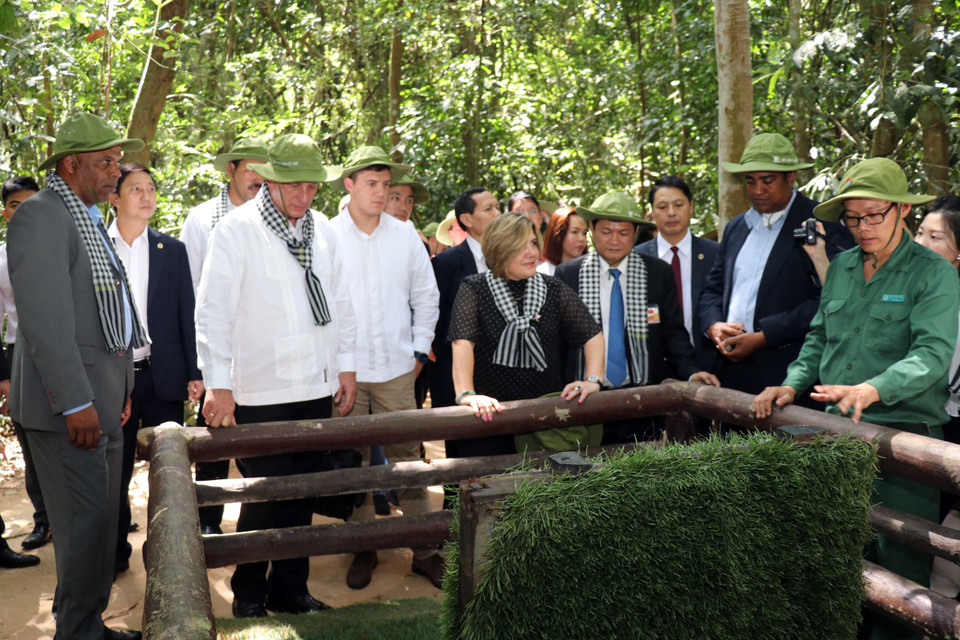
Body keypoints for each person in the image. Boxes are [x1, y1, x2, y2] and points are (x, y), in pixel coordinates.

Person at [752, 158, 960, 640]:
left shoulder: (933, 274)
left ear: (901, 211)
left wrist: (873, 388)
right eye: (852, 218)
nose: (863, 228)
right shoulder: (843, 266)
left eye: (874, 215)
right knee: (836, 560)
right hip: (836, 435)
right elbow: (820, 336)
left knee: (902, 576)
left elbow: (931, 355)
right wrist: (791, 383)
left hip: (904, 440)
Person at [195, 133, 358, 619]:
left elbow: (342, 302)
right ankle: (248, 591)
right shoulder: (236, 230)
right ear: (269, 180)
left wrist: (345, 365)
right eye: (294, 187)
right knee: (263, 494)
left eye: (311, 187)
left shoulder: (324, 230)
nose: (304, 197)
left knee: (303, 493)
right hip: (258, 388)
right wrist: (218, 383)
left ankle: (292, 590)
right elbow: (213, 312)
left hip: (315, 383)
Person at [9, 112, 144, 640]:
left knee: (98, 530)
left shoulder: (85, 217)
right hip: (69, 411)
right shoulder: (42, 216)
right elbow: (45, 322)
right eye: (105, 161)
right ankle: (81, 631)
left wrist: (123, 390)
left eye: (116, 160)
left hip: (102, 402)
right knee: (83, 531)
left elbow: (108, 314)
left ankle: (85, 625)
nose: (116, 170)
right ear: (71, 164)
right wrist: (75, 403)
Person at [328, 146, 443, 590]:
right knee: (352, 465)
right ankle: (363, 546)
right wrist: (337, 365)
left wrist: (417, 351)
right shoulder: (328, 237)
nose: (380, 193)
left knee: (409, 461)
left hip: (397, 368)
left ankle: (426, 551)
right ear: (350, 185)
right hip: (346, 372)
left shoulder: (405, 236)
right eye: (371, 184)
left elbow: (426, 296)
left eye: (385, 185)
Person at [700, 133, 854, 404]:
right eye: (750, 181)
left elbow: (829, 300)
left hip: (790, 375)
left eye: (767, 181)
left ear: (791, 177)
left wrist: (764, 336)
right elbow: (713, 288)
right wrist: (714, 325)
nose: (758, 190)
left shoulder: (819, 223)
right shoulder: (737, 227)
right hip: (731, 373)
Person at [556, 192, 719, 443]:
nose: (614, 241)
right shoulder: (569, 274)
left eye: (623, 233)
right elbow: (559, 340)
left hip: (643, 399)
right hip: (585, 400)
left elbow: (673, 333)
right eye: (606, 231)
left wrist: (691, 372)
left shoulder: (656, 272)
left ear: (635, 234)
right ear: (591, 229)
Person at [106, 163, 202, 576]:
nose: (146, 196)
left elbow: (187, 314)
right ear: (114, 198)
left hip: (164, 376)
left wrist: (195, 371)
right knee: (115, 470)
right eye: (135, 189)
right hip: (114, 377)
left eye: (151, 189)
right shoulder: (96, 247)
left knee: (168, 471)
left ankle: (169, 554)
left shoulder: (171, 249)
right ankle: (113, 555)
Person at [448, 213, 605, 453]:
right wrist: (467, 394)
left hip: (545, 422)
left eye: (533, 243)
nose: (531, 252)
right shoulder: (474, 288)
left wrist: (593, 380)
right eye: (520, 246)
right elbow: (462, 342)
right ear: (500, 249)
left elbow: (592, 334)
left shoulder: (552, 288)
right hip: (490, 416)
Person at [180, 135, 268, 536]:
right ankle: (209, 522)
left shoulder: (275, 217)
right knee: (215, 441)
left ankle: (259, 525)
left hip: (262, 352)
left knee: (260, 446)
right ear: (230, 170)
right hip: (218, 351)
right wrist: (200, 365)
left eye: (264, 169)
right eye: (250, 167)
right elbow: (193, 292)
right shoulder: (202, 219)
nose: (258, 177)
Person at [0, 176, 50, 551]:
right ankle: (43, 520)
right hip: (19, 356)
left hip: (66, 353)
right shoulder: (0, 259)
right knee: (31, 444)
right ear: (5, 213)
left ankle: (108, 516)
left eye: (32, 202)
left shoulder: (61, 246)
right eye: (16, 204)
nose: (24, 210)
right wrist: (4, 376)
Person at [635, 176, 720, 371]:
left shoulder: (715, 253)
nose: (671, 213)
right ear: (652, 213)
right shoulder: (637, 257)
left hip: (709, 362)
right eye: (662, 207)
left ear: (691, 206)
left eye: (678, 205)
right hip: (653, 367)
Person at [430, 188, 501, 411]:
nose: (497, 213)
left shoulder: (511, 258)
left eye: (498, 207)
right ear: (466, 219)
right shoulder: (445, 263)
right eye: (489, 209)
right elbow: (437, 319)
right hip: (457, 373)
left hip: (502, 372)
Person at [914, 196, 960, 519]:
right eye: (919, 233)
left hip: (950, 422)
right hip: (918, 416)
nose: (921, 244)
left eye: (935, 237)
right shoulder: (914, 285)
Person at [537, 205, 588, 276]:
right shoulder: (542, 273)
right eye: (575, 232)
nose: (582, 238)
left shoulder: (589, 272)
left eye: (584, 233)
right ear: (558, 235)